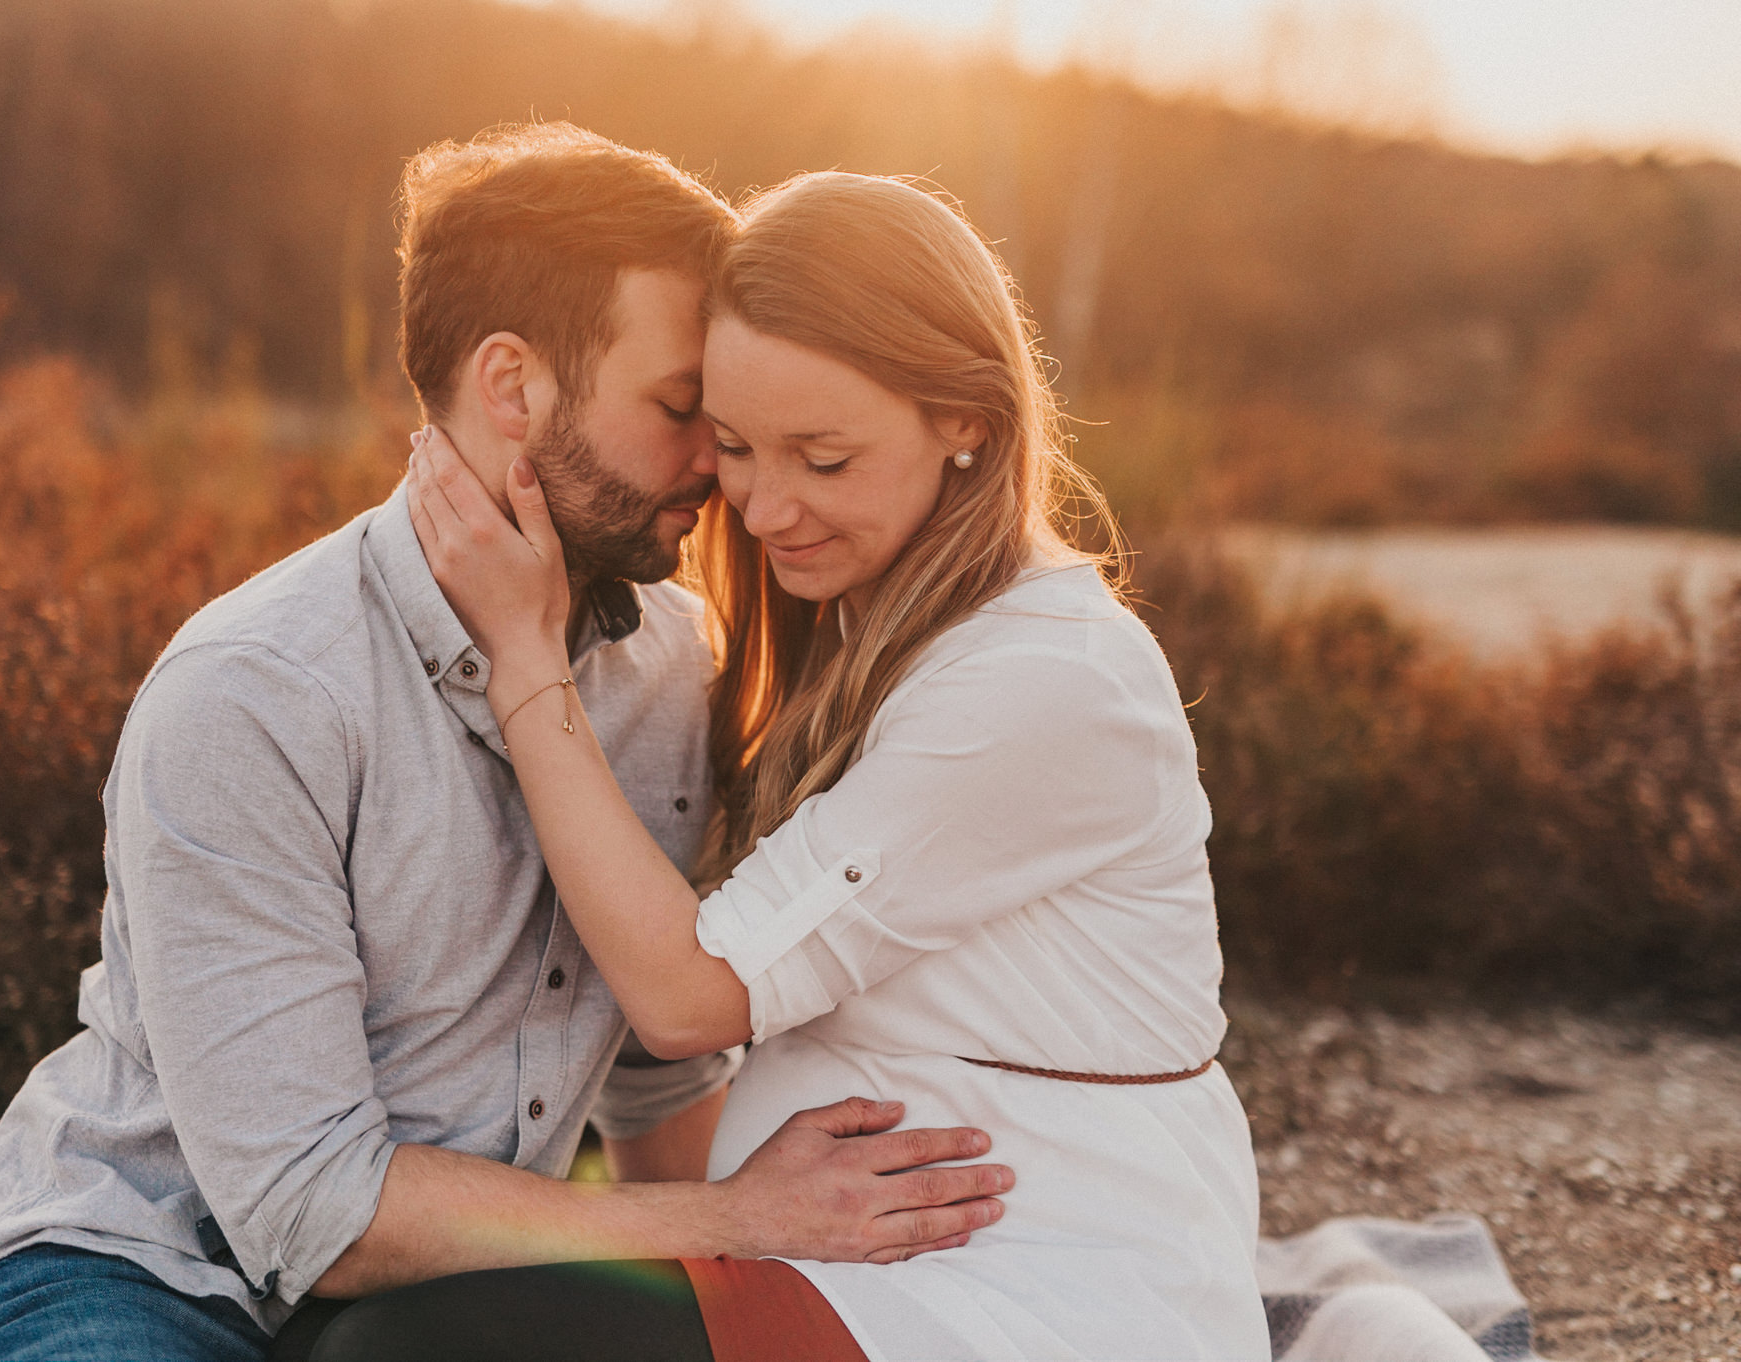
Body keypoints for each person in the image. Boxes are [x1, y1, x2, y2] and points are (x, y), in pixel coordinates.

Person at [0, 128, 1010, 1362]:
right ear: (514, 387)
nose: (718, 467)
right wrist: (727, 1214)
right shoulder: (253, 695)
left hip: (436, 1299)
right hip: (137, 1268)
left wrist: (787, 1254)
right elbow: (310, 1213)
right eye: (678, 410)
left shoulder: (670, 665)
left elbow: (650, 1080)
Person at [338, 170, 1270, 1361]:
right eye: (731, 447)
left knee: (404, 1355)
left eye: (822, 459)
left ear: (965, 422)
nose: (767, 507)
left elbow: (682, 1002)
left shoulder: (1040, 680)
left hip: (1017, 1291)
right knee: (362, 1337)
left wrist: (523, 658)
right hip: (859, 1262)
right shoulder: (877, 618)